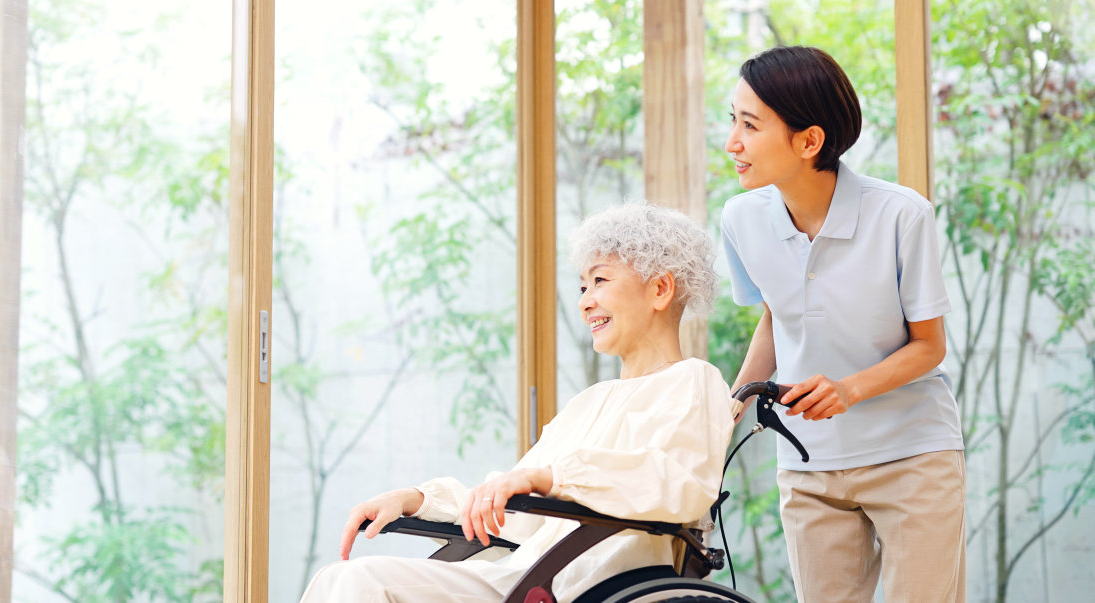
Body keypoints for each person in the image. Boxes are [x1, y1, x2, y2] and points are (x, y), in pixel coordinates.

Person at [299, 203, 735, 602]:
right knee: (342, 578)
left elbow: (674, 484)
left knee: (356, 584)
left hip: (590, 587)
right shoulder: (590, 402)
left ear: (660, 289)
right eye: (582, 286)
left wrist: (549, 477)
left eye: (599, 280)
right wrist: (417, 499)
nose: (585, 302)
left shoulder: (694, 382)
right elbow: (511, 507)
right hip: (519, 576)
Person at [720, 46, 966, 602]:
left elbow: (929, 347)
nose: (732, 141)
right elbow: (776, 318)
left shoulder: (902, 215)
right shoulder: (741, 219)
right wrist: (727, 410)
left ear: (809, 141)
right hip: (809, 465)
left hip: (913, 455)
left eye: (750, 125)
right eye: (732, 120)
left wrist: (848, 388)